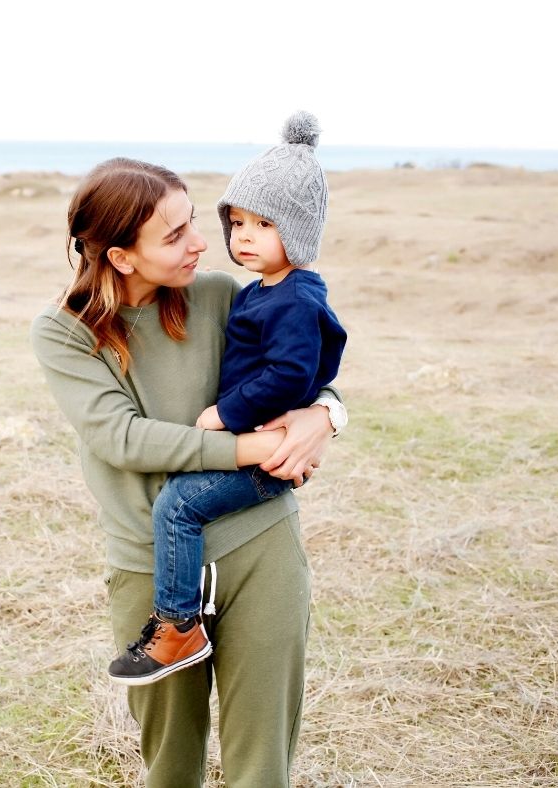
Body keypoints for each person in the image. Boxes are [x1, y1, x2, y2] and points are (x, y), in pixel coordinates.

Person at [30, 153, 345, 786]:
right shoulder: (63, 333)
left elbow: (300, 365)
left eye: (196, 222)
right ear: (121, 255)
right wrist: (251, 450)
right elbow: (122, 438)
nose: (205, 244)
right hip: (150, 560)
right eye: (175, 235)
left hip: (259, 545)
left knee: (263, 762)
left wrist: (327, 415)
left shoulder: (222, 295)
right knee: (171, 764)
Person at [108, 111, 347, 686]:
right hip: (261, 445)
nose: (242, 236)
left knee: (180, 505)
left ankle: (177, 625)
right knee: (181, 502)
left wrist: (230, 415)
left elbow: (294, 375)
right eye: (236, 221)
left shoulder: (291, 300)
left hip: (264, 456)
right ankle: (180, 621)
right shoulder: (263, 291)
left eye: (263, 224)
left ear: (298, 232)